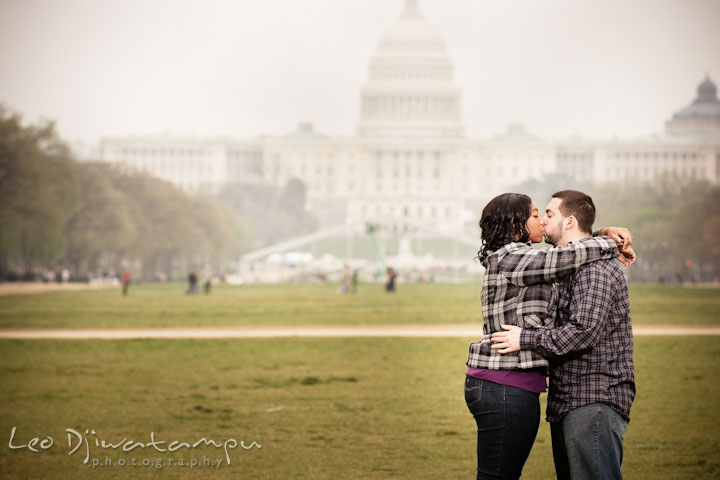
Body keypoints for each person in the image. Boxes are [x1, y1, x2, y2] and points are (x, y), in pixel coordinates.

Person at [464, 192, 635, 480]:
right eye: (535, 215)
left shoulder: (585, 267)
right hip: (507, 383)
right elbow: (569, 252)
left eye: (547, 214)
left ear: (568, 221)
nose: (542, 220)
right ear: (515, 223)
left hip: (574, 392)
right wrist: (609, 239)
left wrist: (600, 233)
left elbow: (582, 327)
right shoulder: (513, 258)